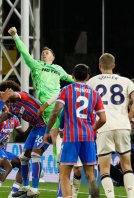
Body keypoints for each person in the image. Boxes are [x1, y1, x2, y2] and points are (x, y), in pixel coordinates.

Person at [8, 27, 74, 161]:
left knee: (69, 132)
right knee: (55, 137)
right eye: (43, 52)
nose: (44, 54)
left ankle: (72, 160)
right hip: (49, 106)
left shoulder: (58, 69)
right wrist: (15, 36)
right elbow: (24, 52)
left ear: (53, 57)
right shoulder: (36, 65)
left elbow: (72, 79)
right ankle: (60, 164)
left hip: (62, 102)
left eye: (47, 52)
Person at [44, 64, 106, 198]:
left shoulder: (66, 90)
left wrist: (47, 130)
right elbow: (103, 119)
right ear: (88, 77)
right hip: (88, 138)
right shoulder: (94, 93)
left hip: (71, 137)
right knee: (90, 175)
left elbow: (55, 111)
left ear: (72, 75)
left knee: (64, 174)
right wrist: (92, 129)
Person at [87, 53, 134, 198]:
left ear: (99, 66)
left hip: (103, 126)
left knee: (104, 168)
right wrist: (128, 116)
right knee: (126, 165)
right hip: (122, 126)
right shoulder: (125, 80)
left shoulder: (92, 81)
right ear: (114, 65)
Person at [0, 80, 49, 198]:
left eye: (6, 93)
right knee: (24, 158)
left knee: (35, 155)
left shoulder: (22, 95)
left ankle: (34, 189)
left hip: (46, 125)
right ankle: (25, 187)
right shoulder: (13, 108)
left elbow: (11, 94)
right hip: (36, 127)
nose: (5, 98)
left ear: (10, 91)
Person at [0, 114, 25, 198]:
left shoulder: (15, 118)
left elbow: (23, 134)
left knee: (23, 164)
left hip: (2, 149)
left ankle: (13, 194)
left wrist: (33, 126)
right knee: (7, 166)